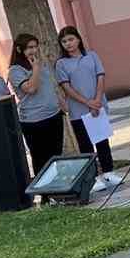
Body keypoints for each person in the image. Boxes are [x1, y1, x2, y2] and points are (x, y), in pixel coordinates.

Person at [54, 26, 122, 188]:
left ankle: (108, 173)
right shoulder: (61, 64)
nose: (68, 44)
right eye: (64, 41)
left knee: (102, 140)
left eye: (71, 39)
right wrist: (88, 102)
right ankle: (94, 179)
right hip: (79, 111)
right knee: (85, 145)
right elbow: (67, 88)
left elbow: (100, 77)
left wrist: (97, 100)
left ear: (78, 39)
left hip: (97, 106)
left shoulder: (92, 56)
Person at [9, 33, 65, 179]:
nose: (33, 50)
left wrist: (60, 102)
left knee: (56, 154)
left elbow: (49, 85)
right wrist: (35, 69)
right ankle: (46, 192)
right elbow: (31, 88)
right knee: (41, 157)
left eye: (35, 46)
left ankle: (57, 188)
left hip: (54, 114)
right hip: (34, 120)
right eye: (29, 48)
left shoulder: (39, 63)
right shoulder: (15, 70)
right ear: (20, 49)